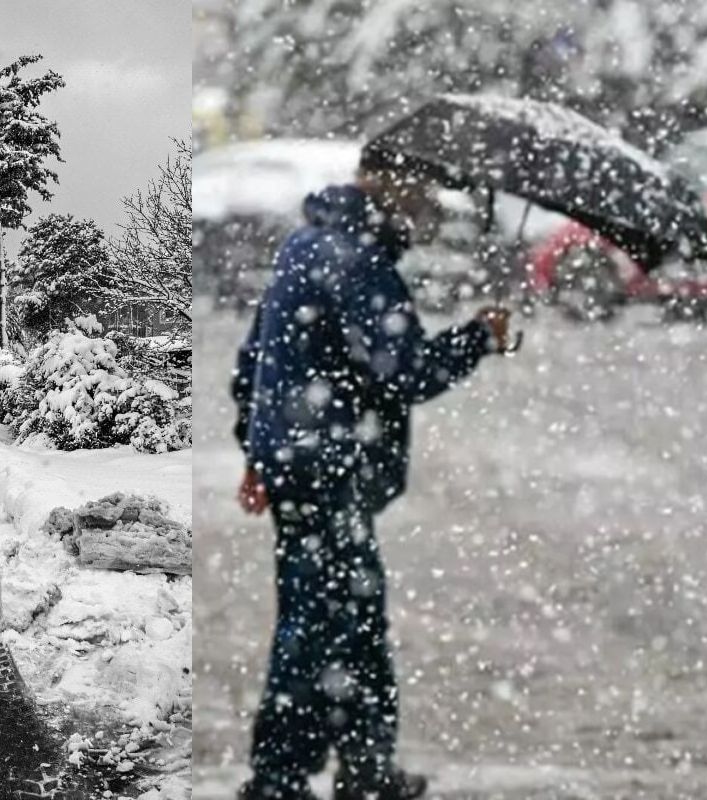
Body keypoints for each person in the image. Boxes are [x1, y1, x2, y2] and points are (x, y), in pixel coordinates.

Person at [231, 143, 517, 800]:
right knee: (321, 622)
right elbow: (404, 372)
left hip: (302, 463)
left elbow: (256, 358)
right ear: (389, 186)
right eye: (421, 190)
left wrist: (257, 452)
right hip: (326, 469)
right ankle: (280, 780)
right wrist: (479, 336)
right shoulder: (357, 261)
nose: (428, 207)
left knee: (351, 615)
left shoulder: (308, 245)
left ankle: (365, 768)